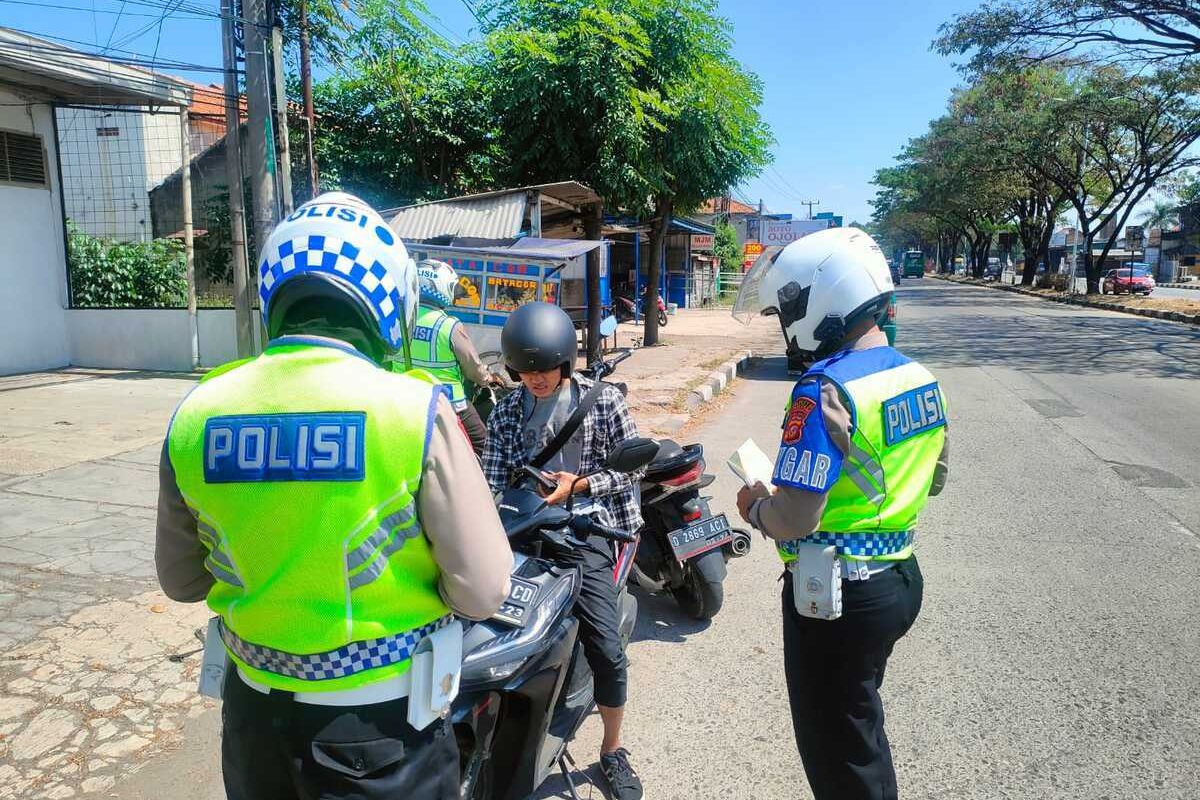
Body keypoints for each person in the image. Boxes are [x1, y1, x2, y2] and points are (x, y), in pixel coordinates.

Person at [155, 192, 513, 800]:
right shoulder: (412, 411)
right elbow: (484, 590)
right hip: (380, 733)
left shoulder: (196, 414)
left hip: (253, 727)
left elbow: (181, 583)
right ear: (388, 302)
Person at [734, 227, 949, 800]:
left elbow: (796, 516)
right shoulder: (920, 378)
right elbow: (936, 480)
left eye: (789, 310)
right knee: (859, 725)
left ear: (824, 301)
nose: (786, 327)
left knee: (841, 755)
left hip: (838, 600)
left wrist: (756, 505)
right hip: (899, 580)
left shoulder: (824, 389)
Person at [481, 302, 644, 800]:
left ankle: (613, 749)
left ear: (566, 361)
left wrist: (582, 485)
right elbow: (490, 479)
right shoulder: (508, 410)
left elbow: (634, 467)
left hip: (587, 532)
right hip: (526, 529)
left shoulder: (603, 401)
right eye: (525, 371)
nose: (535, 379)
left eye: (545, 369)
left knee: (608, 653)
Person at [406, 259, 500, 453]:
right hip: (448, 402)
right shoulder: (449, 326)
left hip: (406, 396)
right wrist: (488, 378)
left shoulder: (401, 318)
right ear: (443, 287)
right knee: (485, 446)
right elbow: (473, 368)